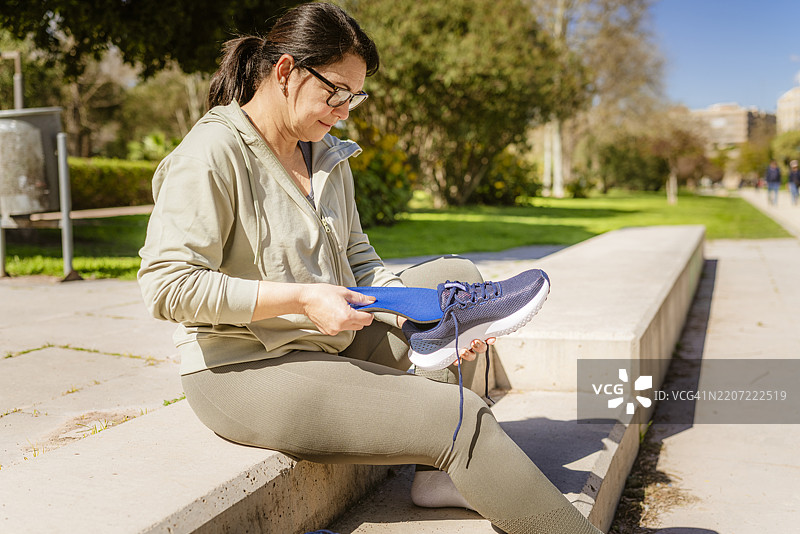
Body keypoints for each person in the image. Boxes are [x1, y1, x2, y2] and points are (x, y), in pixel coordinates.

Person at [137, 3, 601, 533]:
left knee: (458, 283)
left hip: (332, 340)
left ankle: (439, 477)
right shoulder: (211, 153)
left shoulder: (325, 154)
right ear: (285, 71)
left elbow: (360, 264)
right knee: (457, 416)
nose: (345, 109)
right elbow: (167, 286)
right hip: (244, 369)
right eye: (336, 91)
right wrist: (302, 299)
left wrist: (413, 317)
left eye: (354, 96)